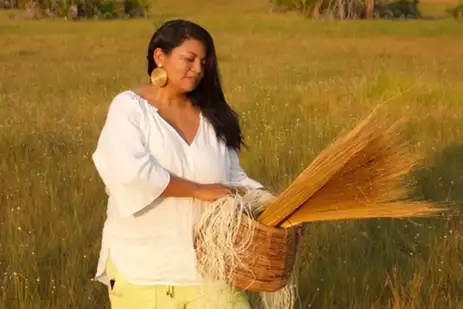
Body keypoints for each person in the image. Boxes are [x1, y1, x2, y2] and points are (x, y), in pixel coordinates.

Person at [91, 19, 266, 309]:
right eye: (189, 59)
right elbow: (130, 173)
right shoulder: (130, 108)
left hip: (212, 269)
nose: (198, 69)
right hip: (146, 271)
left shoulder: (210, 116)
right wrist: (198, 190)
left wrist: (277, 208)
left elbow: (234, 178)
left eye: (203, 62)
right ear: (160, 57)